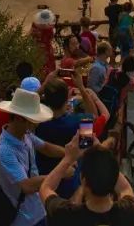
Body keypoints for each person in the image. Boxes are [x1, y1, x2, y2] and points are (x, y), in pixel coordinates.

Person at [0, 87, 67, 226]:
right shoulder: (4, 151)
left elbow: (45, 147)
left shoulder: (25, 135)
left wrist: (68, 153)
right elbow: (26, 186)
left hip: (37, 208)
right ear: (20, 118)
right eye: (33, 120)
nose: (36, 125)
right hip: (24, 218)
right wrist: (62, 171)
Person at [35, 70, 110, 199]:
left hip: (46, 179)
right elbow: (94, 116)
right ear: (67, 97)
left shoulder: (37, 122)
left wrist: (45, 85)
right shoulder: (79, 121)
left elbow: (29, 103)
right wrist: (81, 87)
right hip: (72, 180)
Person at [40, 137, 134, 226]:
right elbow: (125, 188)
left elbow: (46, 187)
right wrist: (102, 155)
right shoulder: (129, 211)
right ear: (114, 181)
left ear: (83, 180)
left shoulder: (66, 215)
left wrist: (68, 158)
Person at [30, 9, 56, 77]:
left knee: (38, 65)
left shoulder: (34, 25)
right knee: (48, 64)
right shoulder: (49, 28)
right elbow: (51, 37)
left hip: (36, 48)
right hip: (47, 48)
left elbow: (30, 35)